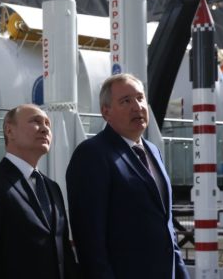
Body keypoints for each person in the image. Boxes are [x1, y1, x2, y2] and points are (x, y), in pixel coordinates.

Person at [66, 73, 190, 279]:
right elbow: (90, 238)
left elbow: (166, 227)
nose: (137, 106)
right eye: (126, 101)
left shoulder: (152, 151)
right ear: (106, 112)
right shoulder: (92, 154)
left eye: (140, 98)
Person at [0, 104, 78, 279]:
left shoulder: (52, 187)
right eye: (36, 121)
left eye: (47, 123)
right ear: (10, 131)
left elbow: (63, 252)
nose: (45, 128)